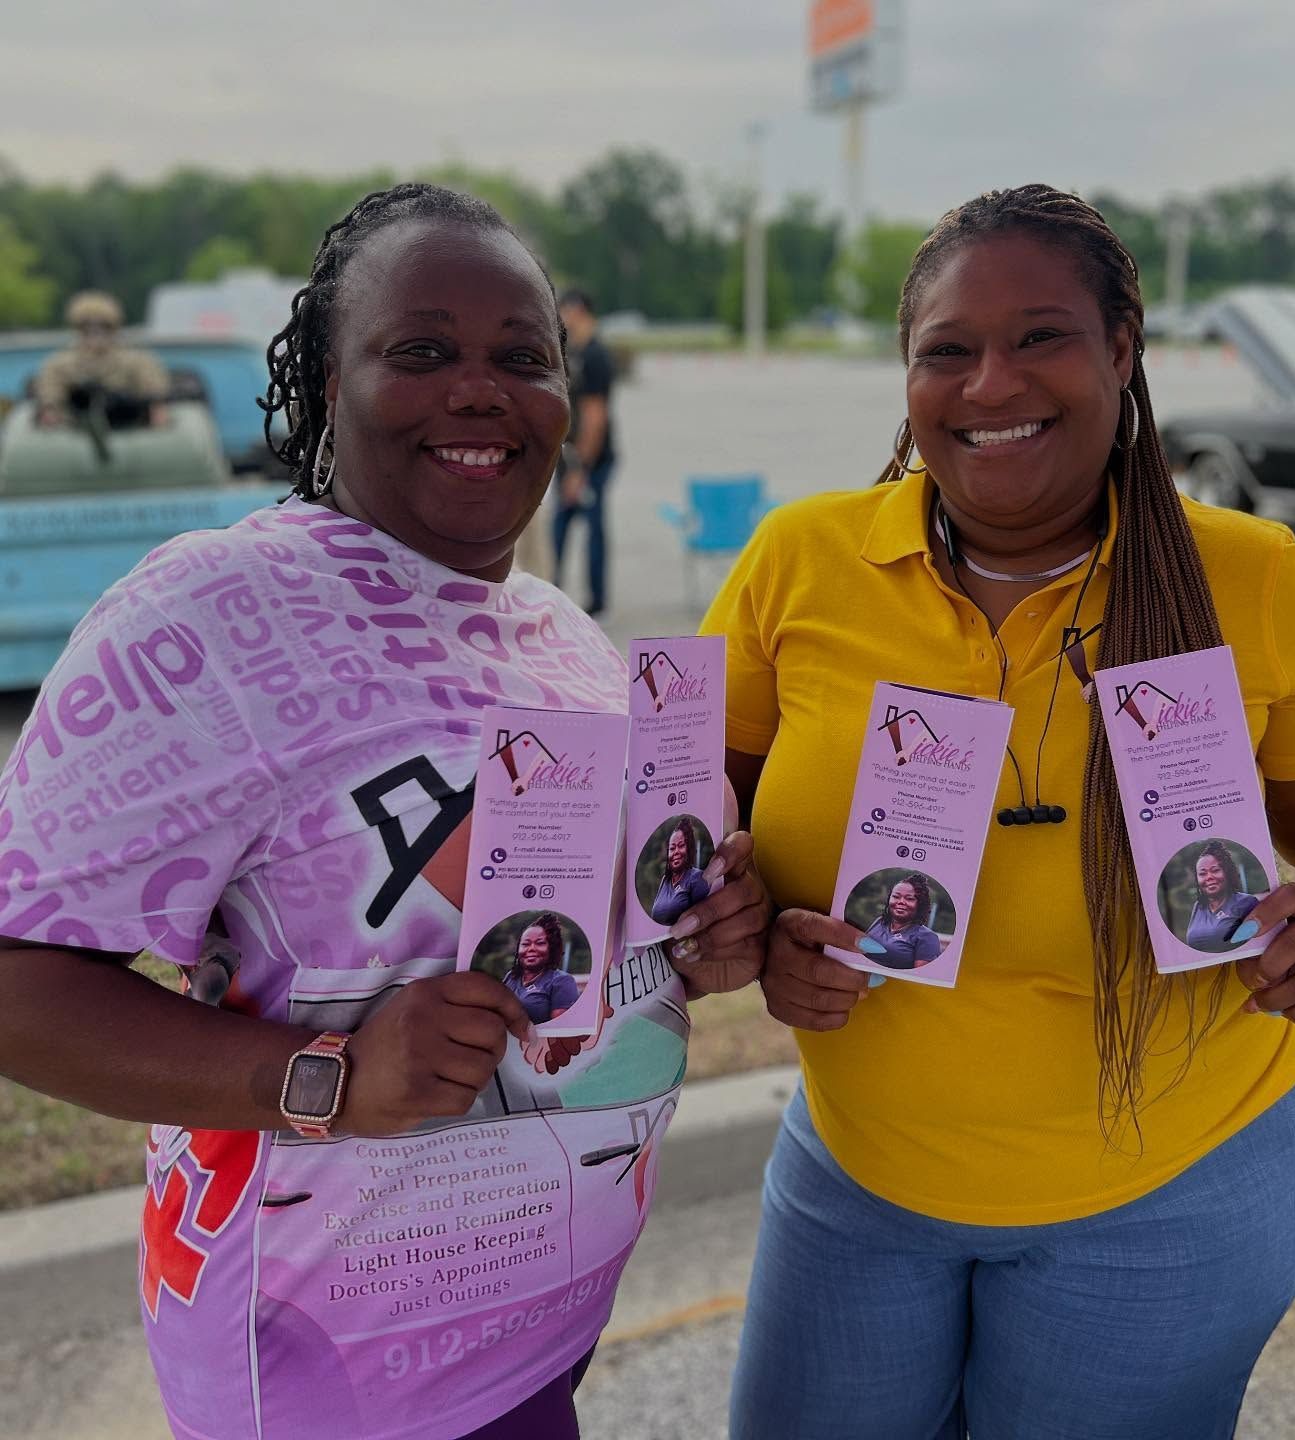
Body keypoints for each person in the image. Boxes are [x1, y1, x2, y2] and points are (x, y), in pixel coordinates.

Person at [0, 182, 771, 1440]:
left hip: (540, 1346)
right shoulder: (211, 619)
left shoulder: (563, 637)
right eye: (420, 351)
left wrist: (696, 945)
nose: (481, 389)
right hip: (340, 1388)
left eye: (524, 357)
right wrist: (328, 1079)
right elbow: (17, 980)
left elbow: (562, 950)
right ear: (321, 388)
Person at [702, 185, 1295, 1439]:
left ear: (1121, 351)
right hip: (858, 1180)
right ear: (910, 376)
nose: (992, 383)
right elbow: (704, 817)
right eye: (948, 349)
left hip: (1171, 1204)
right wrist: (751, 924)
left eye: (1040, 335)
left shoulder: (1248, 582)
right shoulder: (800, 563)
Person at [551, 288, 617, 616]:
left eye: (562, 309)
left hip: (591, 460)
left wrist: (581, 469)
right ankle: (552, 592)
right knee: (559, 528)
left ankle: (597, 603)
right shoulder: (572, 351)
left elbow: (595, 416)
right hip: (568, 457)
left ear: (578, 310)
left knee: (591, 530)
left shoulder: (595, 356)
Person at [33, 290, 169, 429]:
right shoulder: (59, 364)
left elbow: (155, 398)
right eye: (87, 326)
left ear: (113, 328)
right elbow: (50, 399)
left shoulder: (137, 361)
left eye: (103, 326)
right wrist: (52, 413)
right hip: (74, 427)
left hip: (130, 426)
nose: (95, 332)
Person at [500, 913, 580, 1023]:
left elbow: (559, 1032)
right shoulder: (511, 976)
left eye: (540, 943)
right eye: (526, 944)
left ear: (551, 948)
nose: (531, 948)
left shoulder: (561, 981)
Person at [1184, 840, 1262, 953]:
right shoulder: (1199, 906)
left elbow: (1256, 943)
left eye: (1215, 870)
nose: (1209, 877)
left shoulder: (1246, 903)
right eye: (1202, 873)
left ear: (1227, 872)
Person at [861, 874, 942, 969]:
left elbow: (919, 978)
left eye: (909, 898)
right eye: (896, 896)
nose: (901, 902)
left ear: (920, 904)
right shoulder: (879, 922)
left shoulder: (927, 937)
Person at [650, 818, 711, 926]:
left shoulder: (697, 878)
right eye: (672, 848)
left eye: (681, 846)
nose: (676, 852)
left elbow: (703, 920)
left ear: (689, 848)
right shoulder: (665, 880)